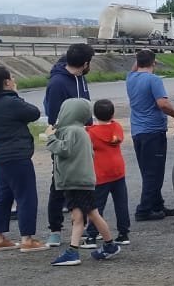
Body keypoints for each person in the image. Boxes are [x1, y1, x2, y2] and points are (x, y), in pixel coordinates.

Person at [43, 98, 120, 265]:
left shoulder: (72, 131)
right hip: (80, 180)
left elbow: (64, 150)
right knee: (79, 216)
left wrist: (50, 137)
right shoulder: (81, 130)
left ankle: (108, 245)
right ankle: (74, 250)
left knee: (92, 213)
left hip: (76, 180)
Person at [0, 64, 46, 253]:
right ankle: (27, 239)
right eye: (12, 79)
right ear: (7, 82)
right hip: (15, 154)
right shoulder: (10, 101)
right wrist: (15, 94)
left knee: (4, 195)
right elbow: (33, 112)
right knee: (26, 195)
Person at [42, 43, 93, 247]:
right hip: (65, 137)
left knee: (84, 182)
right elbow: (54, 116)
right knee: (59, 183)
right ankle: (55, 230)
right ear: (85, 63)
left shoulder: (81, 79)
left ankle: (81, 227)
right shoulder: (57, 83)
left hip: (83, 136)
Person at [126, 49, 174, 221]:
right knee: (154, 173)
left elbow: (134, 67)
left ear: (137, 62)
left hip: (138, 132)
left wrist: (140, 58)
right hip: (153, 131)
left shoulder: (130, 78)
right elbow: (163, 103)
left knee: (148, 171)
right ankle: (143, 210)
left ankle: (157, 204)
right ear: (154, 62)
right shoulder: (153, 80)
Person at [89, 99, 132, 245]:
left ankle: (92, 235)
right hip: (118, 170)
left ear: (94, 114)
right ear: (113, 114)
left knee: (97, 205)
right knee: (121, 202)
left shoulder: (92, 132)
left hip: (101, 172)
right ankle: (124, 233)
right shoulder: (117, 127)